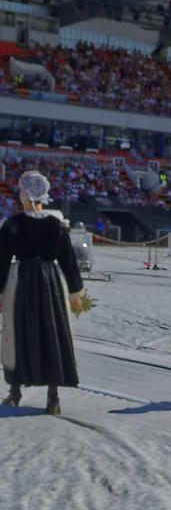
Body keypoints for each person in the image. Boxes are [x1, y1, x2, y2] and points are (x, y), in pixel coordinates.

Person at [1, 171, 85, 415]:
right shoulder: (56, 225)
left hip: (22, 283)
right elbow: (69, 261)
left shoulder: (13, 225)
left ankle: (15, 391)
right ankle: (53, 397)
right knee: (52, 333)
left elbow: (2, 261)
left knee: (18, 333)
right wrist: (75, 291)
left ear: (25, 194)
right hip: (50, 284)